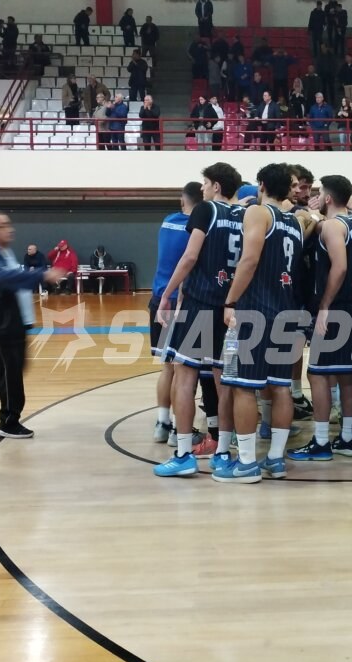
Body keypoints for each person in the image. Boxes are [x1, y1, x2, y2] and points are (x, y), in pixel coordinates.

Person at [216, 163, 316, 484]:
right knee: (280, 386)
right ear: (288, 189)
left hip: (255, 310)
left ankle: (246, 463)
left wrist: (230, 300)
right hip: (287, 311)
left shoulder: (259, 213)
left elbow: (249, 259)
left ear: (260, 184)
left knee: (243, 386)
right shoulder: (296, 222)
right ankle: (275, 458)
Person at [153, 162, 245, 478]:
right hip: (230, 307)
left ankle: (183, 454)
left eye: (205, 183)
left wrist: (167, 294)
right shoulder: (247, 216)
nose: (202, 188)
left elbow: (190, 256)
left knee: (185, 376)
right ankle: (223, 452)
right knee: (225, 382)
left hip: (200, 303)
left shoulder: (206, 209)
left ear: (216, 186)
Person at [0, 212, 66, 439]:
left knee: (11, 371)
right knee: (11, 372)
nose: (10, 229)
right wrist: (42, 275)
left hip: (9, 322)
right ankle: (8, 422)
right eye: (4, 225)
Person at [287, 174, 352, 461]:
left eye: (320, 193)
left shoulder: (332, 226)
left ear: (329, 198)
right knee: (347, 375)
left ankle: (321, 442)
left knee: (318, 374)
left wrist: (324, 305)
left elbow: (340, 267)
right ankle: (347, 438)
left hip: (336, 308)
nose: (316, 198)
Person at [149, 182, 220, 457]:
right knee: (190, 371)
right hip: (182, 300)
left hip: (158, 298)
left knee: (168, 367)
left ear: (182, 201)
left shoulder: (168, 221)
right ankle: (184, 431)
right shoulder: (201, 227)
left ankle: (162, 423)